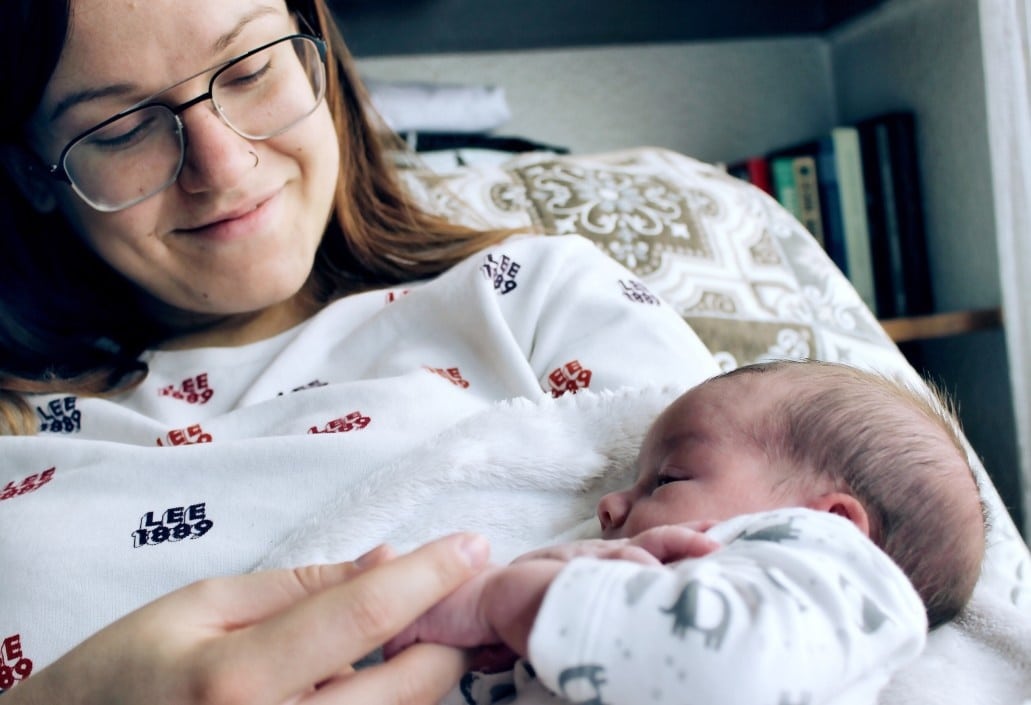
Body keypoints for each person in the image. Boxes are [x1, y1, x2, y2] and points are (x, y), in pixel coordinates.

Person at [0, 0, 721, 702]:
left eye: (249, 72)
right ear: (34, 171)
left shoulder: (535, 298)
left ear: (313, 52)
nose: (222, 165)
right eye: (122, 129)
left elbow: (775, 577)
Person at [384, 360, 987, 705]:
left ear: (828, 526)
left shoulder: (841, 592)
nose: (611, 504)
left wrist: (503, 602)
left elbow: (726, 664)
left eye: (668, 478)